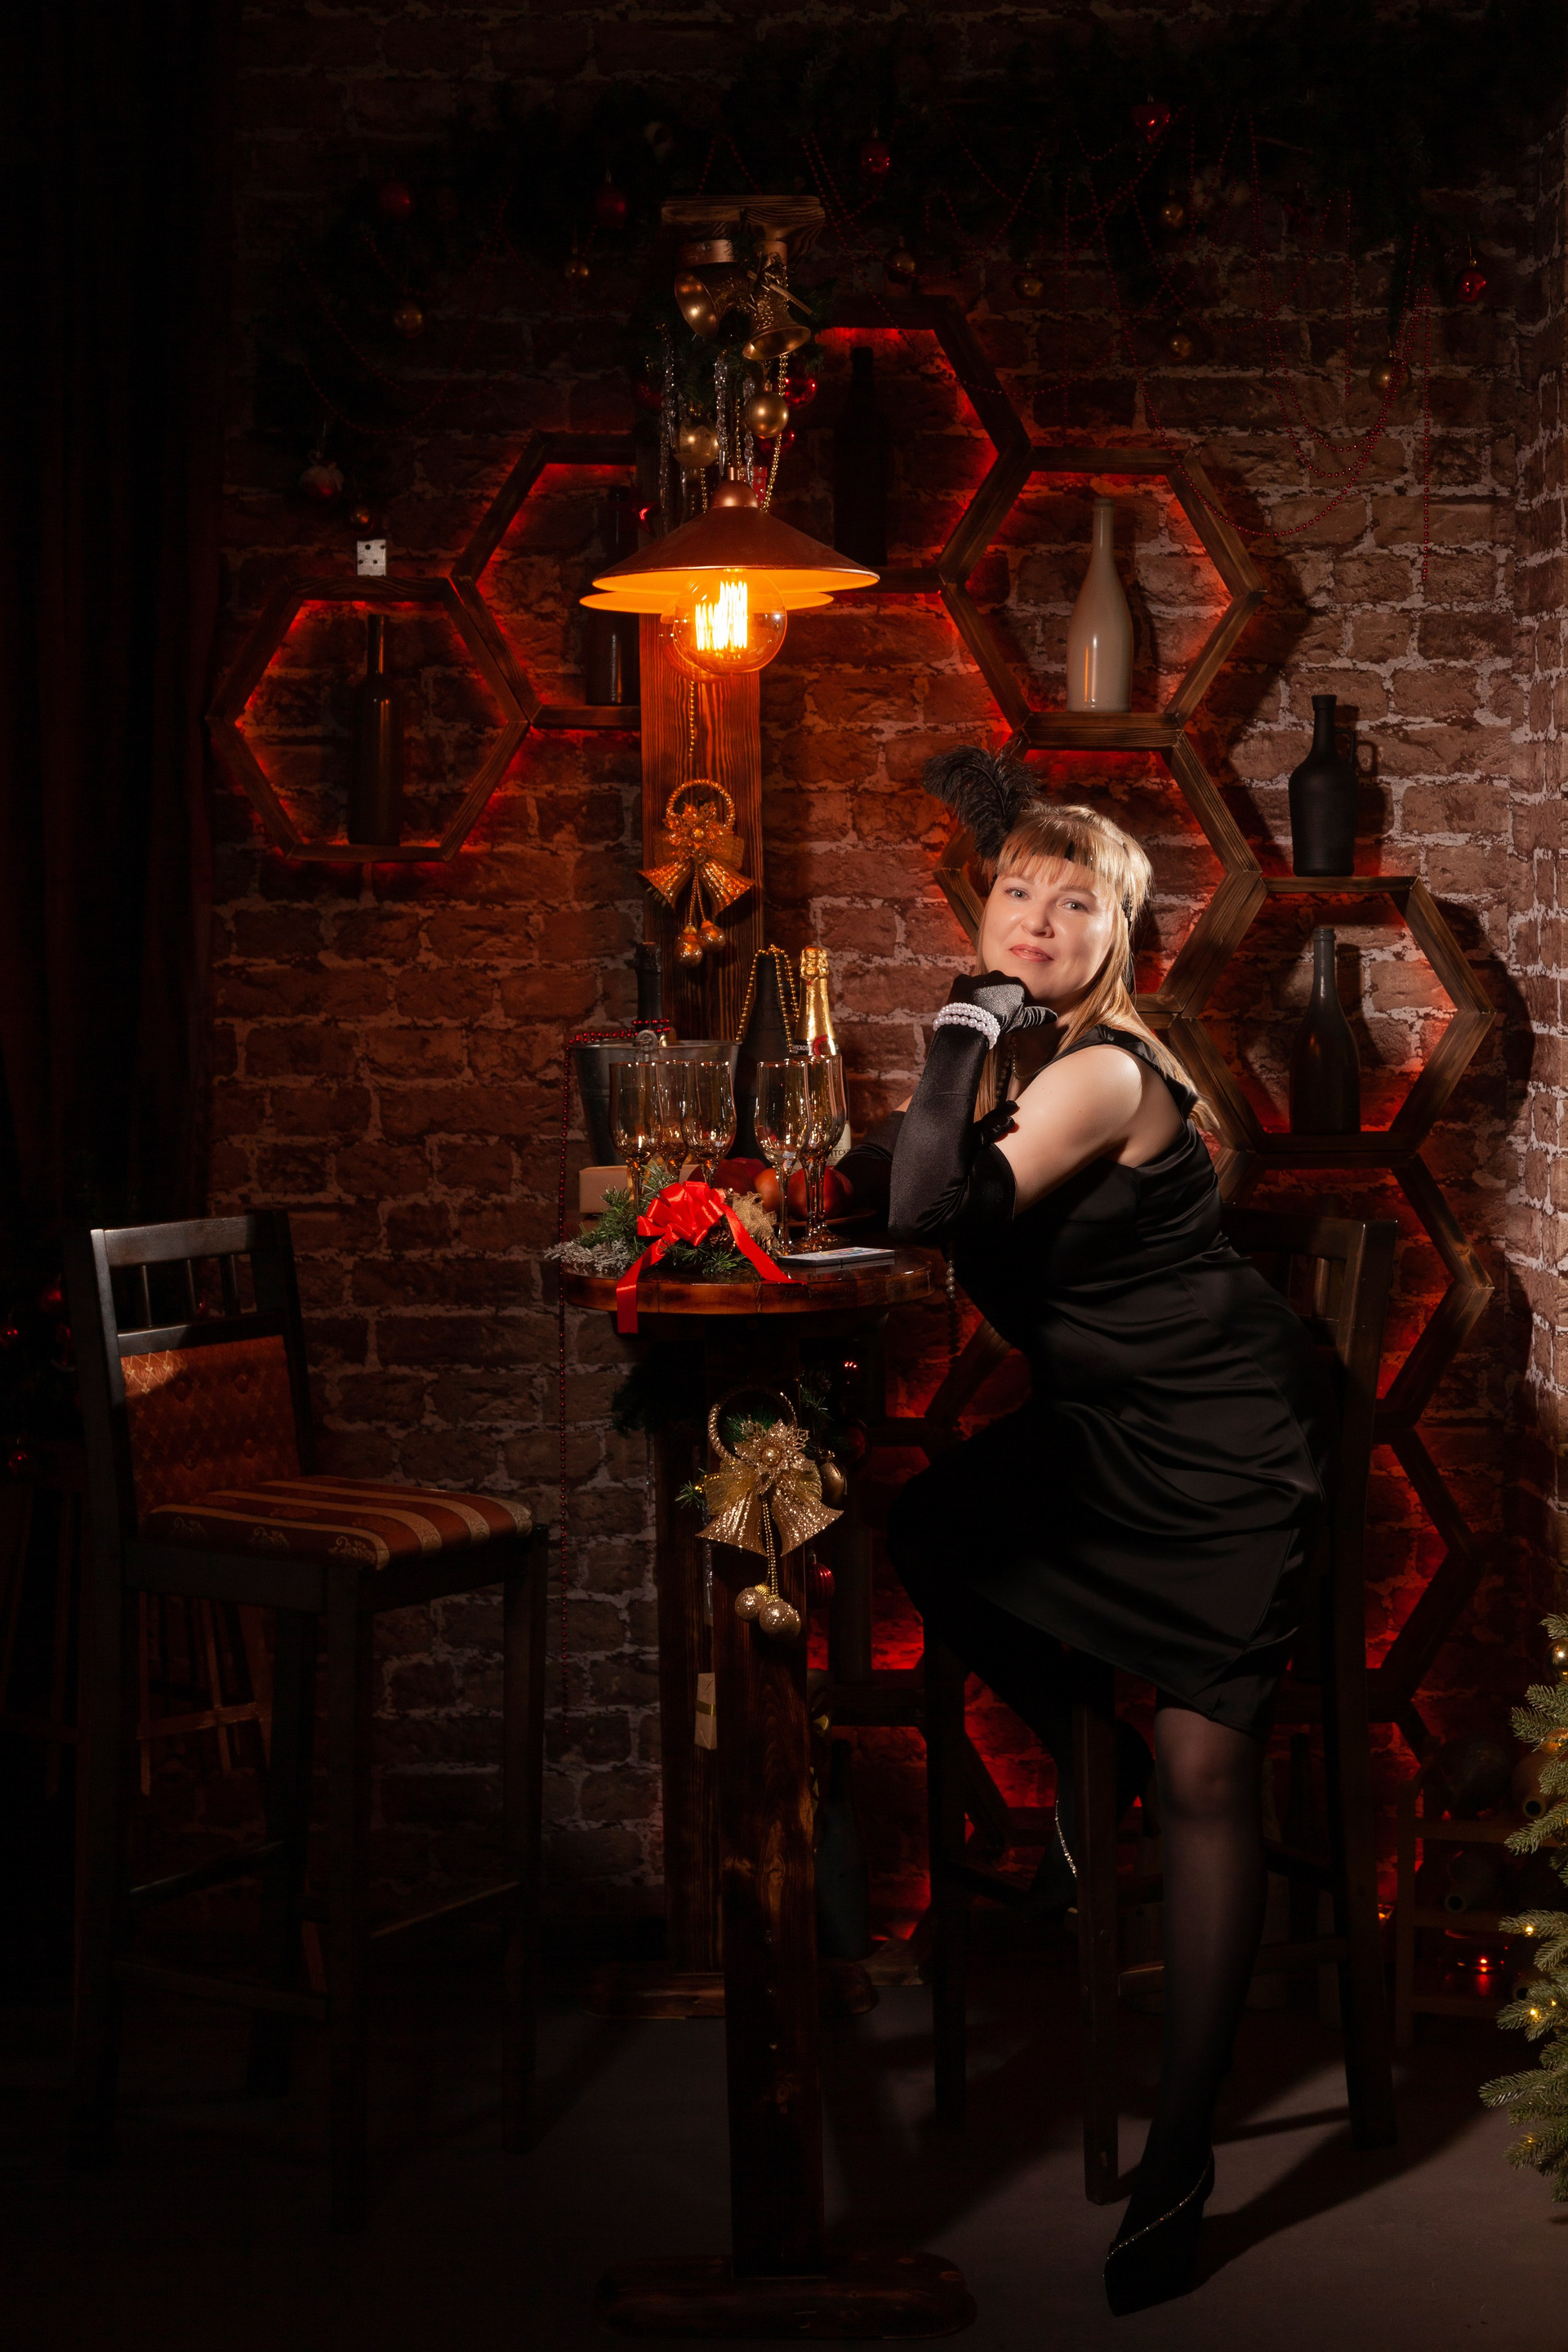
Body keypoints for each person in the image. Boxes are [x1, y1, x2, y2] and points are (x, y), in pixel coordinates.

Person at [842, 749, 1335, 2316]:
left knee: (1204, 1769)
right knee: (935, 1528)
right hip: (1108, 1434)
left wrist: (953, 1026)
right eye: (1016, 890)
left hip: (1224, 1445)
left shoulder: (1101, 1074)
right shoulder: (1027, 1069)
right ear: (982, 902)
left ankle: (1181, 2158)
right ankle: (1086, 1757)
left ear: (1117, 937)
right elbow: (910, 1178)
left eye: (1074, 902)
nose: (1037, 918)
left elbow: (927, 1212)